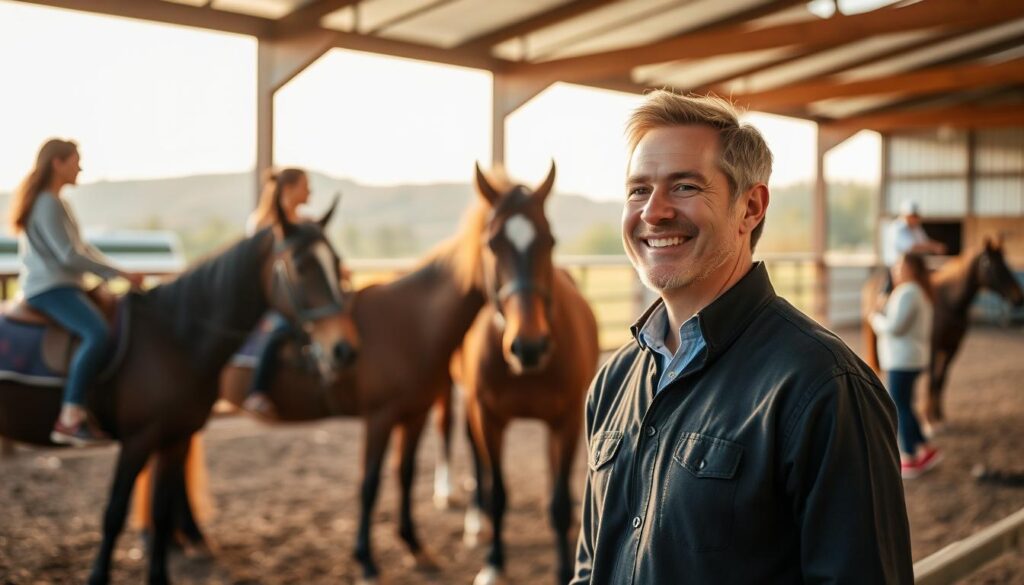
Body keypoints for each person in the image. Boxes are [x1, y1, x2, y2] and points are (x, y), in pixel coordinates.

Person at [571, 91, 913, 583]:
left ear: (749, 207)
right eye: (638, 190)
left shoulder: (823, 385)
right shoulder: (612, 382)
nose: (654, 212)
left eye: (685, 187)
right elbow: (590, 569)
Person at [10, 138, 144, 446]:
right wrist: (119, 273)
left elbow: (80, 249)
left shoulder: (55, 202)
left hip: (62, 284)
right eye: (75, 160)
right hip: (50, 288)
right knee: (96, 332)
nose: (80, 167)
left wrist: (114, 270)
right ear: (58, 163)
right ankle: (69, 418)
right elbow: (68, 256)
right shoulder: (48, 203)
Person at [242, 167, 310, 419]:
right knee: (281, 326)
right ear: (289, 189)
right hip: (273, 298)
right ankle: (256, 391)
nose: (310, 192)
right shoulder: (262, 224)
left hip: (302, 296)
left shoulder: (304, 223)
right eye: (306, 186)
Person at [870, 253, 940, 479]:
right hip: (910, 358)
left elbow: (894, 327)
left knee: (899, 406)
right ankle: (925, 448)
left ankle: (910, 455)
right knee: (905, 404)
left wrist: (874, 317)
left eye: (900, 265)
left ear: (911, 268)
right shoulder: (917, 291)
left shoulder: (908, 291)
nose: (895, 269)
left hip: (902, 359)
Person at [882, 200, 946, 292]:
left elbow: (924, 241)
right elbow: (911, 247)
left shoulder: (916, 228)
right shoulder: (897, 228)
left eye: (916, 216)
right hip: (896, 264)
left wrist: (935, 245)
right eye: (913, 216)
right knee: (891, 284)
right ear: (906, 215)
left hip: (913, 265)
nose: (916, 218)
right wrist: (934, 247)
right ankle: (884, 296)